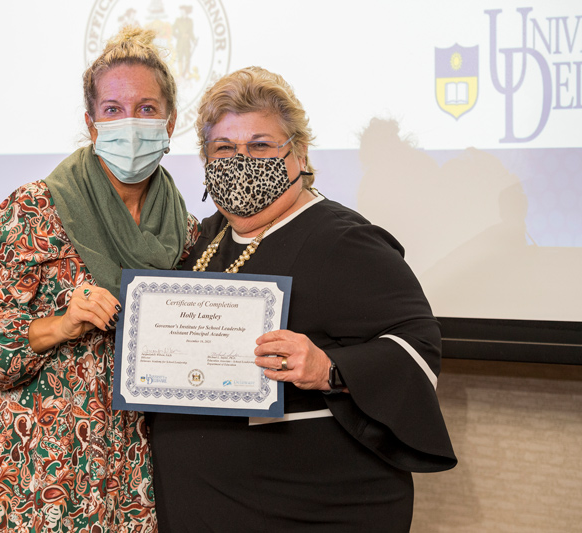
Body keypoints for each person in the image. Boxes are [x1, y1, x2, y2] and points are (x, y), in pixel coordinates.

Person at [147, 66, 457, 532]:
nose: (241, 160)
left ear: (299, 152)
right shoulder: (199, 239)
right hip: (199, 503)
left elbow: (418, 346)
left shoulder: (344, 239)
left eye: (260, 145)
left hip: (306, 507)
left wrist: (328, 368)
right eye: (224, 148)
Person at [0, 26, 199, 533]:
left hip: (135, 469)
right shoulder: (34, 209)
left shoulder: (187, 231)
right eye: (113, 109)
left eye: (147, 109)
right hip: (40, 470)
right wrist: (64, 324)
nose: (130, 122)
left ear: (170, 121)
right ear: (91, 124)